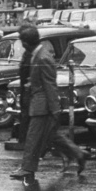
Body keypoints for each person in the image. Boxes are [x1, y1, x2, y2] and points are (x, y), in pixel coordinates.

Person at [9, 25, 86, 182]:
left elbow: (50, 85)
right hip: (37, 103)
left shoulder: (43, 58)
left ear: (27, 42)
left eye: (22, 41)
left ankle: (27, 169)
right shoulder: (36, 55)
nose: (21, 44)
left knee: (33, 137)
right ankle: (78, 154)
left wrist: (54, 109)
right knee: (50, 136)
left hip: (42, 106)